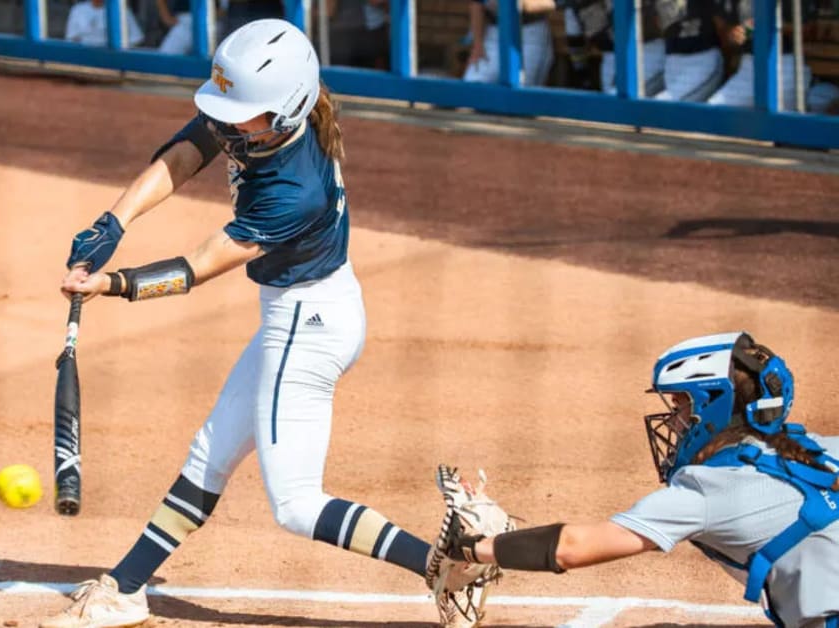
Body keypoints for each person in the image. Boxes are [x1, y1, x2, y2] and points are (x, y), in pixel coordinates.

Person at [43, 18, 491, 628]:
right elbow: (182, 155)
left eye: (242, 114)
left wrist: (111, 284)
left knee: (296, 503)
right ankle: (124, 589)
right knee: (210, 454)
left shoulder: (293, 190)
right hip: (305, 312)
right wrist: (112, 224)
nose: (228, 123)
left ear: (286, 111)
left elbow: (200, 266)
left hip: (308, 324)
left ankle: (449, 562)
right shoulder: (254, 120)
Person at [436, 331, 839, 627]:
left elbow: (572, 548)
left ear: (712, 407)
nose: (675, 421)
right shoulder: (824, 448)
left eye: (681, 405)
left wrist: (474, 547)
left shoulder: (706, 491)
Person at [707, 0, 818, 109]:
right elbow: (729, 35)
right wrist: (735, 35)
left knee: (777, 123)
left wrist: (763, 25)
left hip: (786, 67)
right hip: (747, 67)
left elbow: (807, 28)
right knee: (710, 115)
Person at [561, 0, 666, 95]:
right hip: (612, 58)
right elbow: (575, 43)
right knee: (616, 106)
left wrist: (584, 78)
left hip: (647, 51)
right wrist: (584, 79)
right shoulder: (573, 5)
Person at [463, 0, 558, 86]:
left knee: (521, 95)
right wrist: (478, 44)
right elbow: (476, 4)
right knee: (469, 91)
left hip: (529, 32)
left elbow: (552, 3)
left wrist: (521, 3)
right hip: (493, 32)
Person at [650, 0, 725, 101]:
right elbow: (654, 25)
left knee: (658, 109)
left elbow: (724, 25)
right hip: (672, 61)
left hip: (702, 59)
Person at [65, 0, 145, 48]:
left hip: (113, 61)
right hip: (85, 60)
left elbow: (136, 39)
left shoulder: (122, 11)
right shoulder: (77, 10)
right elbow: (71, 39)